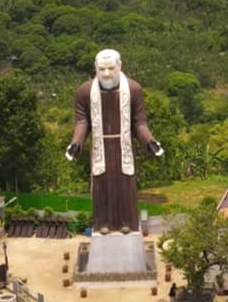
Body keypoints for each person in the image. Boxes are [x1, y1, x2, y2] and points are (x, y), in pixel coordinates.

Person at [66, 49, 163, 234]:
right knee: (101, 187)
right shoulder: (84, 92)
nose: (106, 74)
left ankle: (127, 223)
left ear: (119, 66)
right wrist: (76, 143)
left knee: (125, 186)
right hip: (100, 148)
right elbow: (82, 121)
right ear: (95, 68)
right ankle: (103, 224)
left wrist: (149, 141)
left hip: (122, 148)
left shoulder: (133, 89)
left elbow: (139, 122)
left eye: (111, 68)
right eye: (101, 69)